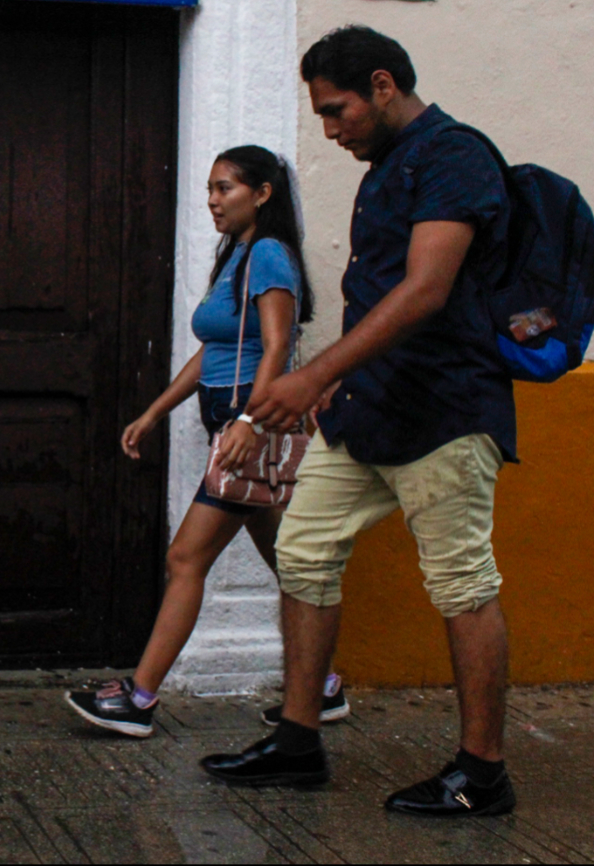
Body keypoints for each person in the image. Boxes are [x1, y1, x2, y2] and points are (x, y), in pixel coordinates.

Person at [200, 26, 517, 818]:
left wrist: (312, 372)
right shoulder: (385, 168)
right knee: (303, 553)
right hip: (366, 409)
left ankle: (482, 773)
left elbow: (424, 291)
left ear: (382, 84)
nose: (330, 130)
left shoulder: (452, 156)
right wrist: (331, 388)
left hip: (443, 409)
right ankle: (296, 743)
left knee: (460, 583)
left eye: (336, 111)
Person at [64, 146, 344, 737]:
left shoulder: (268, 254)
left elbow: (276, 347)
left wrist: (249, 422)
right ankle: (323, 687)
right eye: (211, 190)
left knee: (185, 558)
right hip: (237, 425)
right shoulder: (237, 255)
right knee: (289, 560)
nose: (213, 201)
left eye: (225, 189)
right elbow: (211, 354)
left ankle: (138, 699)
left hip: (252, 428)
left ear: (262, 193)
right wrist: (156, 412)